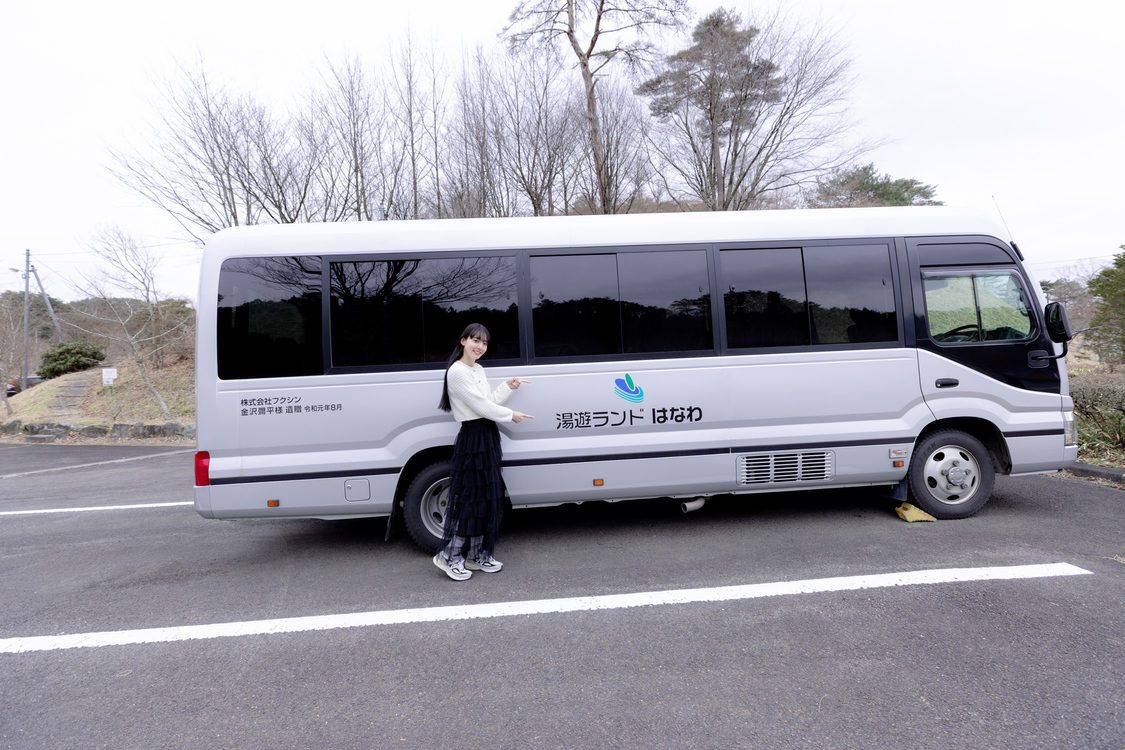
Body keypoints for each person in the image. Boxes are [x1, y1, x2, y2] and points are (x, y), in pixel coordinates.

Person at [433, 323, 533, 581]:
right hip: (473, 435)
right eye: (476, 340)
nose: (480, 346)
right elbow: (478, 406)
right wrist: (511, 415)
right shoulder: (457, 371)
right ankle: (450, 556)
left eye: (485, 343)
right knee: (470, 498)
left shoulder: (477, 368)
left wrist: (507, 387)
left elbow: (488, 401)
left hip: (487, 434)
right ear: (463, 340)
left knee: (487, 497)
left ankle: (476, 554)